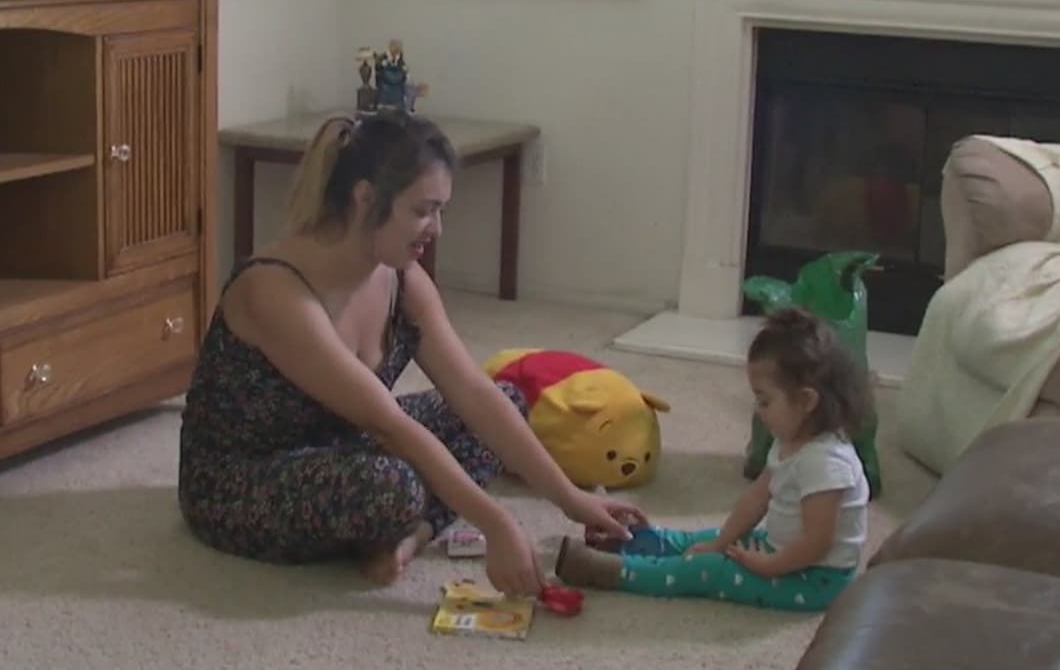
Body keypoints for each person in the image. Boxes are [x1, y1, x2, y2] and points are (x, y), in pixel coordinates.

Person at [178, 111, 644, 595]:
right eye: (422, 210)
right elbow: (388, 424)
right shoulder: (273, 289)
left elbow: (472, 391)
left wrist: (570, 499)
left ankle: (415, 533)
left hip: (344, 441)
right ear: (365, 198)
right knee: (391, 486)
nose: (436, 229)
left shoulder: (401, 277)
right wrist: (496, 522)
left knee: (506, 398)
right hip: (243, 476)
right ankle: (405, 521)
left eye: (441, 211)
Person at [554, 307, 870, 612]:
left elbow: (817, 542)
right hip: (782, 550)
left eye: (765, 401)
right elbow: (756, 499)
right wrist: (723, 541)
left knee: (708, 570)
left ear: (806, 400)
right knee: (707, 539)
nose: (758, 410)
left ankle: (613, 571)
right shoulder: (791, 439)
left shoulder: (826, 463)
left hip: (815, 578)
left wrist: (768, 565)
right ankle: (634, 542)